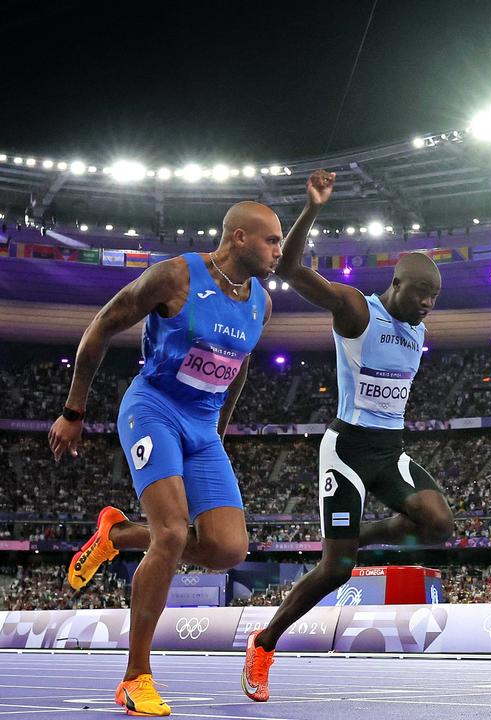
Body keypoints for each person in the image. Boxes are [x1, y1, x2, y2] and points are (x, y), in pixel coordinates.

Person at [52, 200, 282, 716]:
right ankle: (135, 676)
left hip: (202, 427)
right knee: (174, 533)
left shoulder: (261, 304)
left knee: (227, 550)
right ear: (239, 237)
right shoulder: (175, 276)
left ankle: (116, 536)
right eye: (272, 240)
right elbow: (102, 325)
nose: (279, 251)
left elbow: (237, 366)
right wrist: (74, 410)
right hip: (153, 408)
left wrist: (217, 430)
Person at [240, 171, 455, 702]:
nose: (429, 305)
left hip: (389, 450)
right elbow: (288, 268)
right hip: (347, 450)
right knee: (337, 567)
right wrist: (312, 208)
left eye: (435, 297)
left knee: (440, 525)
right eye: (422, 294)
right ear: (396, 284)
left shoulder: (419, 327)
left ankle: (366, 529)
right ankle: (264, 643)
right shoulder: (358, 309)